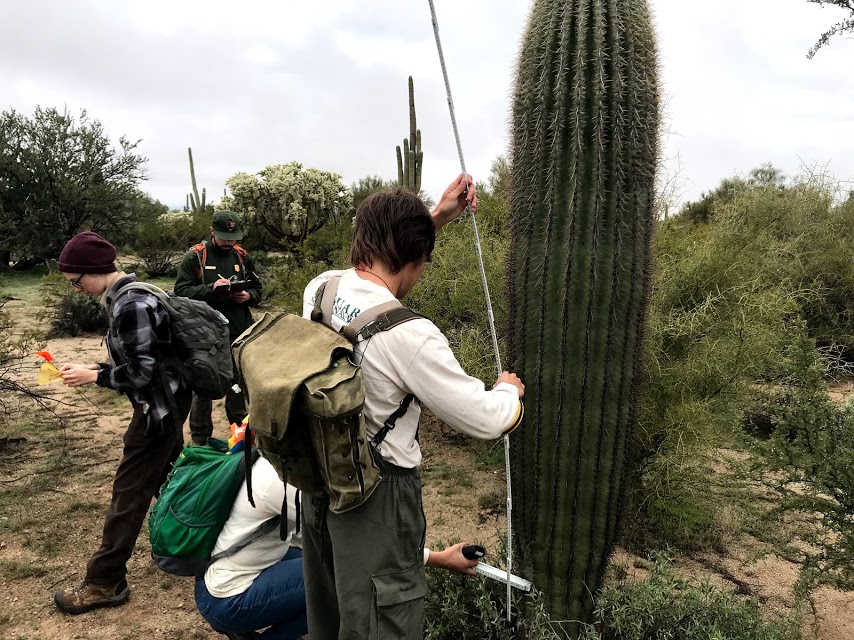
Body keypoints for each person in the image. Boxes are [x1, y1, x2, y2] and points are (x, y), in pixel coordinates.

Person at [299, 176, 526, 640]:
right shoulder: (411, 335)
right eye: (423, 261)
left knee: (334, 610)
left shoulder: (320, 289)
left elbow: (372, 275)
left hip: (320, 479)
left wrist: (436, 218)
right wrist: (508, 391)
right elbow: (486, 419)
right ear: (417, 259)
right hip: (378, 498)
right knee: (386, 619)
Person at [196, 454, 481, 640]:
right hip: (227, 596)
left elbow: (309, 540)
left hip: (219, 580)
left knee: (321, 565)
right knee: (333, 584)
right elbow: (359, 543)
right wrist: (440, 558)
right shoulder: (281, 482)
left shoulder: (276, 461)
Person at [53, 232, 191, 614]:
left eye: (76, 281)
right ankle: (199, 542)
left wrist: (95, 377)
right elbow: (147, 360)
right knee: (173, 480)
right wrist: (94, 368)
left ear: (95, 271)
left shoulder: (131, 303)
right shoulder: (131, 295)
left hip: (156, 411)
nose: (76, 289)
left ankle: (104, 581)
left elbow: (143, 372)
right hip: (166, 403)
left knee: (128, 495)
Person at [174, 211, 262, 445]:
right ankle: (200, 440)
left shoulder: (242, 256)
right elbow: (181, 292)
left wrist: (248, 295)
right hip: (205, 334)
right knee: (203, 386)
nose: (229, 242)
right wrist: (210, 289)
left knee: (236, 385)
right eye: (224, 237)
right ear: (212, 231)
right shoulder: (195, 257)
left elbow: (258, 288)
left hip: (237, 331)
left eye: (233, 237)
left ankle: (240, 437)